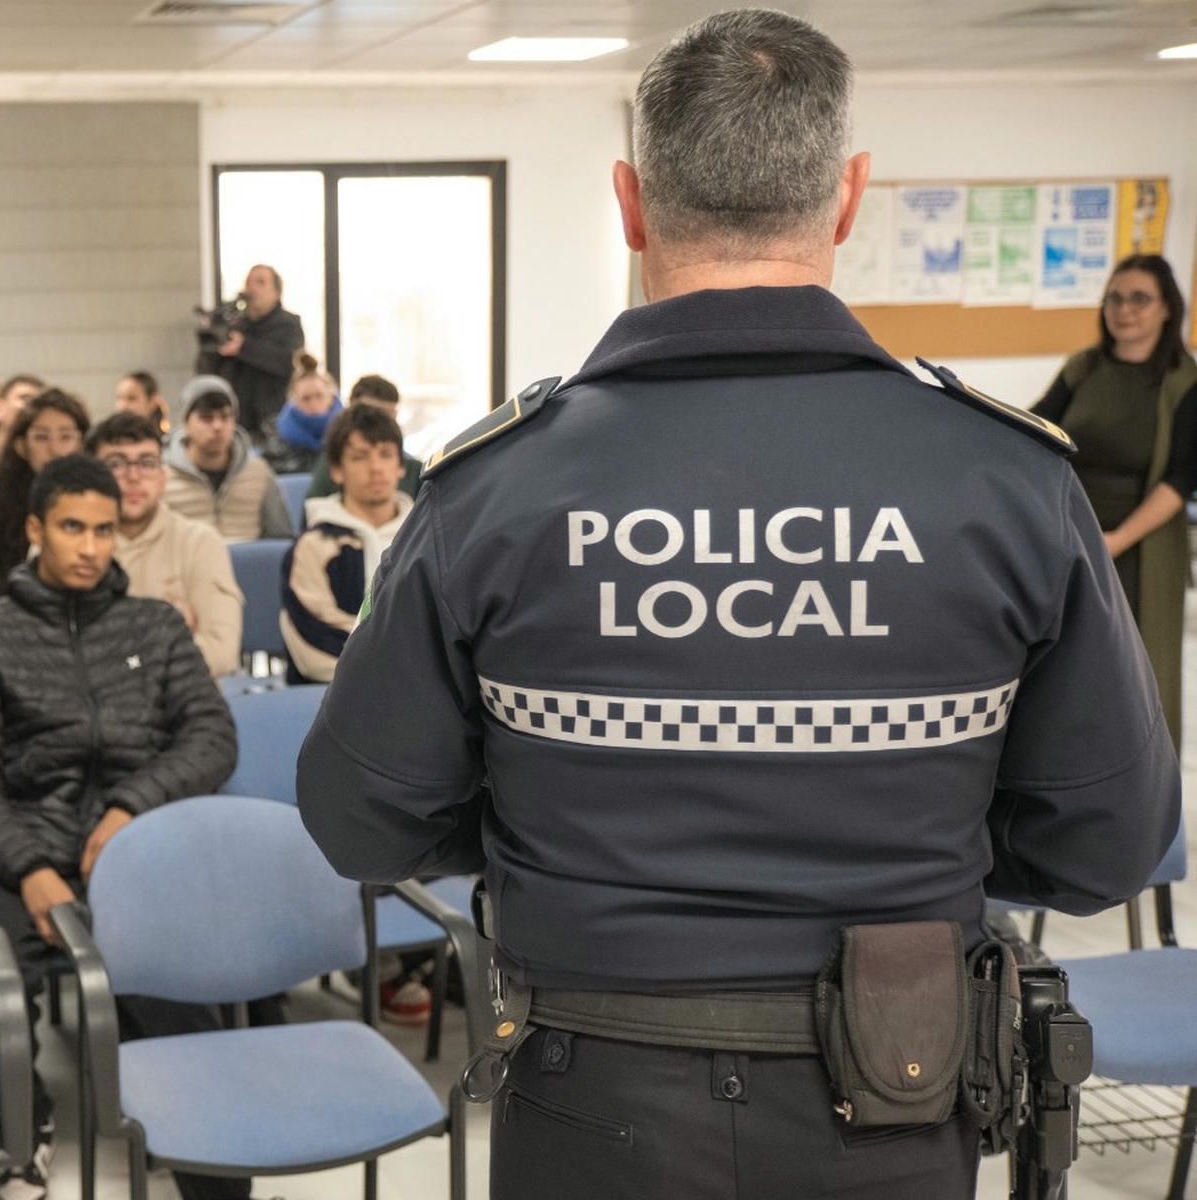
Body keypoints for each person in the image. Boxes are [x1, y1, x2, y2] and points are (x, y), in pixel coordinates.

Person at [296, 12, 1179, 1200]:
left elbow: (362, 818)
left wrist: (533, 819)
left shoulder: (494, 486)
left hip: (586, 1092)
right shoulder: (1007, 480)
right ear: (850, 196)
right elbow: (1109, 842)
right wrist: (934, 832)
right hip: (898, 1088)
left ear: (629, 200)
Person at [0, 455, 240, 1200]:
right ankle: (18, 1140)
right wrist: (31, 866)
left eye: (105, 530)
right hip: (21, 848)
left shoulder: (154, 624)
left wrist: (130, 807)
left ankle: (199, 1144)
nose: (90, 547)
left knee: (185, 970)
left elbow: (211, 737)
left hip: (137, 852)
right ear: (36, 529)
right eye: (72, 528)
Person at [1031, 254, 1197, 749]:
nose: (1125, 310)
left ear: (1167, 309)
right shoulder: (1084, 367)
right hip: (1074, 530)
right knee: (1071, 663)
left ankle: (1142, 786)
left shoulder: (1184, 382)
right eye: (1115, 298)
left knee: (1139, 668)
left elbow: (1180, 480)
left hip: (1141, 542)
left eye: (1140, 299)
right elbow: (1038, 427)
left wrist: (1116, 541)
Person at [88, 411, 242, 676]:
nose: (133, 476)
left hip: (181, 708)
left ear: (163, 477)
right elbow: (55, 658)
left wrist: (116, 660)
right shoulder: (68, 547)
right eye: (116, 464)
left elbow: (221, 654)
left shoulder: (200, 543)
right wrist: (169, 639)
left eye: (147, 463)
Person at [279, 405, 411, 684]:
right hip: (333, 698)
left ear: (400, 466)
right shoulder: (314, 546)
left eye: (386, 455)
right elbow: (313, 636)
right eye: (359, 457)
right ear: (337, 471)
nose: (376, 468)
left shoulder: (424, 541)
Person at [0, 388, 89, 606]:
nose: (55, 449)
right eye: (41, 437)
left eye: (66, 436)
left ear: (80, 443)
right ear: (21, 446)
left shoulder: (100, 504)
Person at [163, 376, 293, 541]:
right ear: (186, 423)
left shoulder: (259, 472)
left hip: (248, 564)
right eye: (206, 418)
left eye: (225, 417)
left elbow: (281, 539)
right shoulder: (164, 478)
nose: (217, 426)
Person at [198, 264, 305, 439]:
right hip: (238, 423)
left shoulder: (289, 325)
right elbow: (207, 372)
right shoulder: (235, 326)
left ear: (276, 293)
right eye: (248, 282)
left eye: (260, 282)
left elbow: (288, 362)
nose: (252, 288)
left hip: (272, 423)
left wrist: (244, 347)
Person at [306, 373, 426, 501]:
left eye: (388, 416)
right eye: (368, 417)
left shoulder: (413, 469)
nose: (376, 467)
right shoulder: (335, 463)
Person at [260, 352, 340, 476]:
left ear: (331, 398)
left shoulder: (347, 437)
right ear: (293, 402)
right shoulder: (276, 445)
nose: (314, 404)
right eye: (306, 398)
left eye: (319, 396)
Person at [113, 370, 169, 435]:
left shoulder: (166, 442)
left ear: (152, 402)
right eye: (119, 398)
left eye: (132, 398)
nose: (122, 406)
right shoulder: (108, 439)